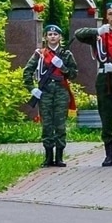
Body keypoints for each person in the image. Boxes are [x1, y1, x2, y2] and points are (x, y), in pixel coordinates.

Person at [73, 5, 112, 166]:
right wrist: (97, 31)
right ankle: (109, 154)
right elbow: (78, 35)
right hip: (103, 79)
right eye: (110, 14)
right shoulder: (100, 35)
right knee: (106, 117)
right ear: (106, 16)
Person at [27, 24, 73, 167]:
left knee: (60, 125)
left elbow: (74, 73)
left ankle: (59, 157)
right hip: (45, 93)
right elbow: (27, 72)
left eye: (55, 34)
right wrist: (32, 88)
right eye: (50, 35)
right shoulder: (39, 54)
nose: (53, 37)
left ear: (60, 37)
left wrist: (62, 66)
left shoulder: (66, 54)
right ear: (45, 37)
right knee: (47, 125)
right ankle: (48, 157)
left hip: (61, 92)